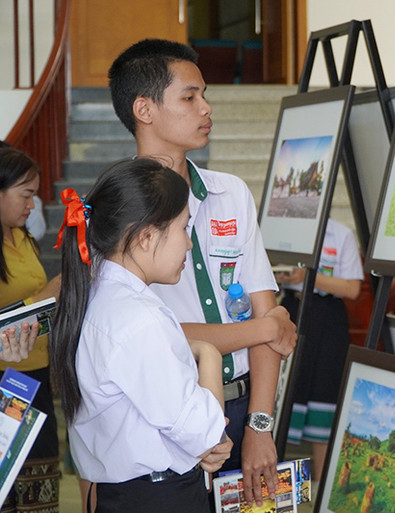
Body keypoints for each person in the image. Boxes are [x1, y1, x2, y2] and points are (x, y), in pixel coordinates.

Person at [107, 38, 297, 506]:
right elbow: (164, 335)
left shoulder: (230, 193)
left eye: (204, 94)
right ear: (144, 109)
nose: (206, 107)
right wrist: (261, 327)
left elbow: (267, 316)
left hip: (245, 409)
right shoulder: (117, 210)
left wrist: (259, 425)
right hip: (165, 423)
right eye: (190, 97)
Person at [50, 158, 232, 512]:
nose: (188, 245)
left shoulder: (95, 295)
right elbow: (207, 436)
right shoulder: (139, 317)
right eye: (183, 229)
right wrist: (209, 352)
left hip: (120, 494)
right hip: (159, 497)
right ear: (147, 237)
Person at [276, 218, 363, 479]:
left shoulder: (341, 234)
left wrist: (310, 277)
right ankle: (277, 491)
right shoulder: (284, 229)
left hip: (328, 318)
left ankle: (321, 486)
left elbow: (352, 288)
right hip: (291, 310)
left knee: (326, 396)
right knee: (284, 395)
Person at [0, 146, 62, 513]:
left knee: (40, 484)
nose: (32, 206)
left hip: (35, 379)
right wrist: (48, 295)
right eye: (25, 195)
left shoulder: (22, 237)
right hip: (5, 381)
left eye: (35, 196)